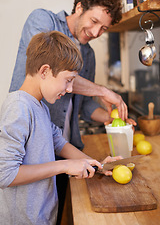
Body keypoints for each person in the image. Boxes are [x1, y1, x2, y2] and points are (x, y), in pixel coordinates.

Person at [0, 31, 121, 225]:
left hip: (42, 217)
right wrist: (63, 166)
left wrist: (97, 165)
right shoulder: (19, 107)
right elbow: (5, 174)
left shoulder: (39, 106)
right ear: (45, 71)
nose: (71, 89)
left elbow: (58, 142)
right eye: (68, 80)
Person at [9, 0, 134, 151]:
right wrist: (103, 91)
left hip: (63, 145)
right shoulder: (43, 20)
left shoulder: (88, 54)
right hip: (31, 144)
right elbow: (53, 69)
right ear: (79, 8)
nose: (96, 32)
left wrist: (109, 119)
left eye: (103, 28)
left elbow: (85, 103)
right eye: (94, 21)